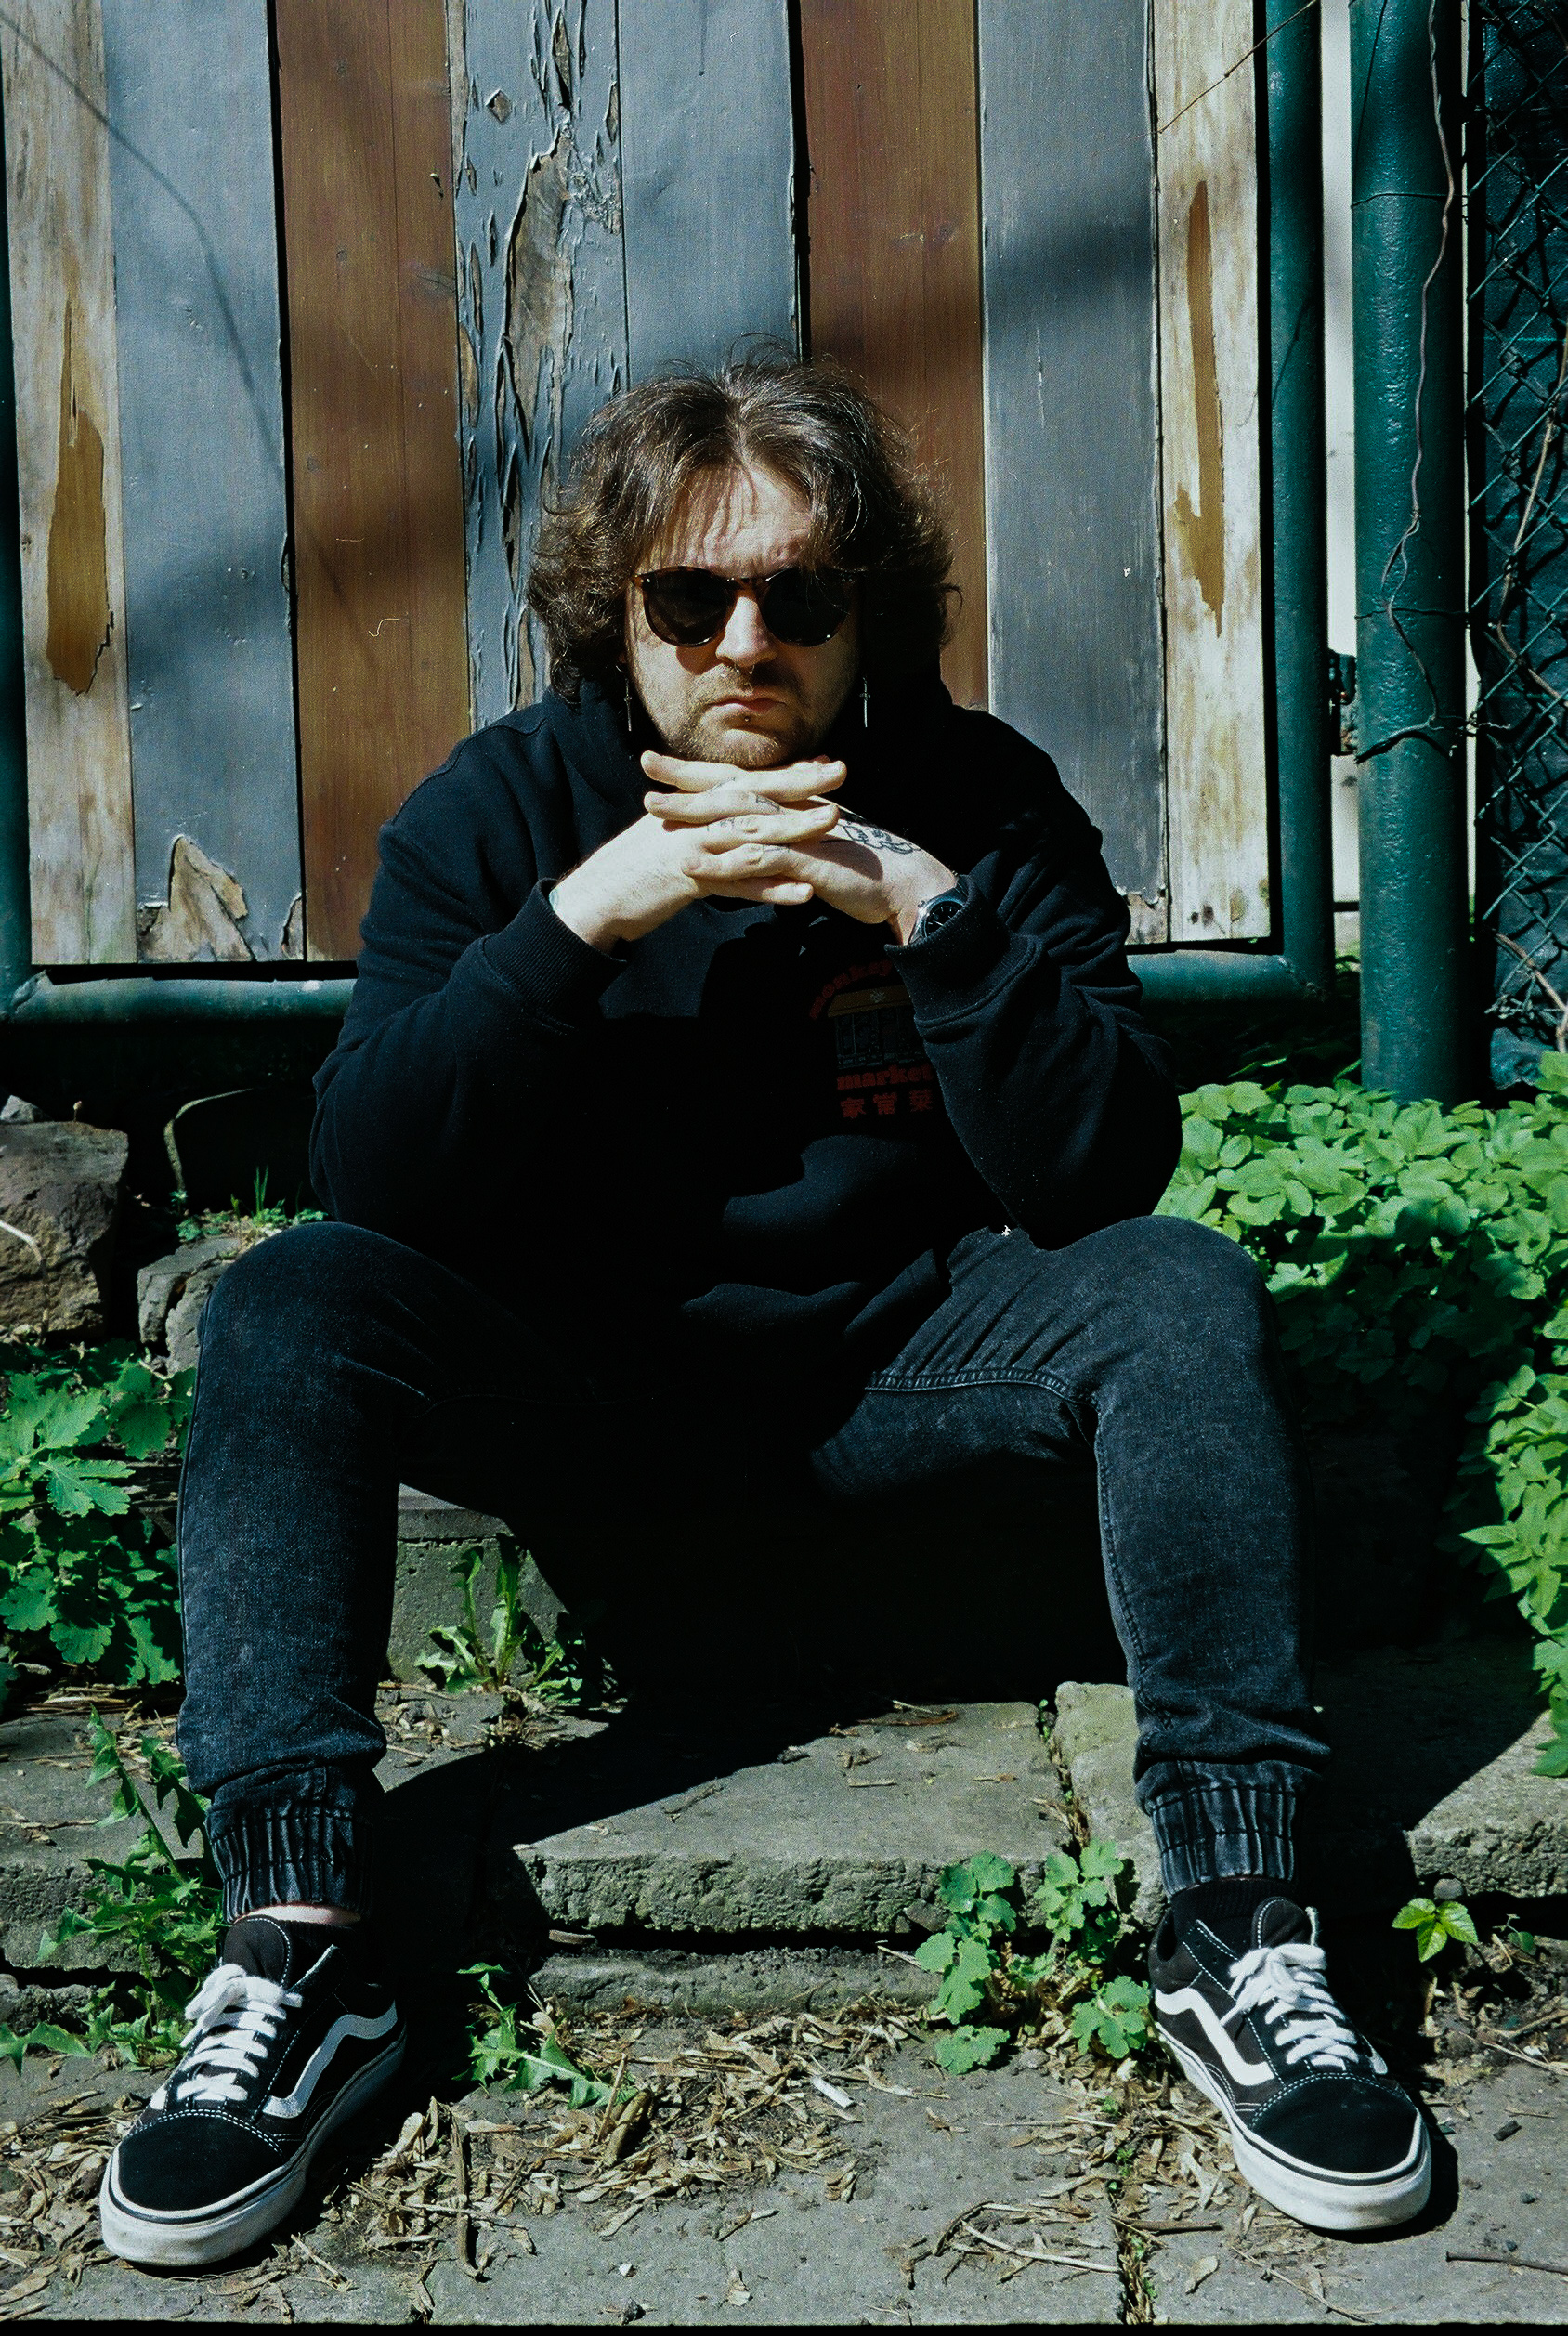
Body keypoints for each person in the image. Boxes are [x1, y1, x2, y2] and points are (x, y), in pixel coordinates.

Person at [98, 358, 1429, 2267]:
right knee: (289, 1300)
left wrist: (932, 916)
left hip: (906, 1368)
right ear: (613, 611)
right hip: (590, 1386)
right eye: (690, 598)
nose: (746, 643)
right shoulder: (504, 810)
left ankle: (1235, 1918)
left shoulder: (977, 800)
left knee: (1177, 1289)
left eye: (799, 596)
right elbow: (372, 1174)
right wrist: (584, 920)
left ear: (863, 614)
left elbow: (1101, 1175)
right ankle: (302, 1944)